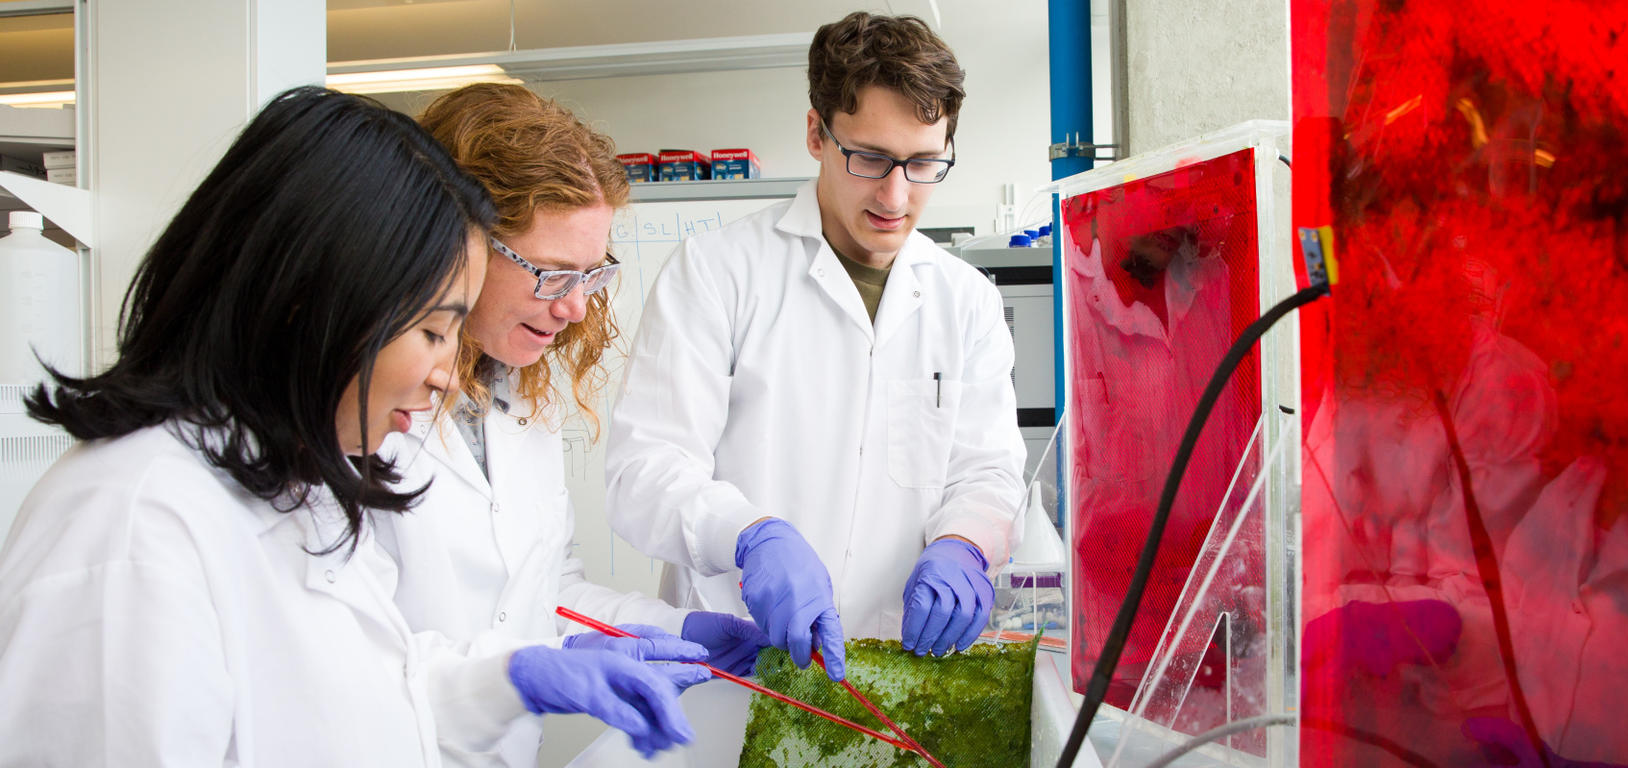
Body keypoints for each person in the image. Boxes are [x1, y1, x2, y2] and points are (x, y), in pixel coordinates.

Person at [0, 87, 706, 766]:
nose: (441, 375)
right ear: (315, 298)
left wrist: (511, 680)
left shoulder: (298, 488)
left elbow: (378, 697)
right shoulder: (133, 523)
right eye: (432, 329)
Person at [606, 10, 1024, 689]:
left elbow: (986, 471)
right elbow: (644, 469)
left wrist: (963, 542)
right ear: (816, 134)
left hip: (893, 672)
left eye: (923, 163)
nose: (897, 195)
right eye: (870, 159)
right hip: (735, 669)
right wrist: (746, 534)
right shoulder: (717, 271)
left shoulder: (965, 299)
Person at [376, 83, 768, 767]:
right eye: (553, 274)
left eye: (592, 275)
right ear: (457, 244)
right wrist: (521, 674)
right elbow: (342, 648)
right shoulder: (366, 412)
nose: (578, 309)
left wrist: (677, 629)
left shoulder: (521, 400)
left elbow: (545, 592)